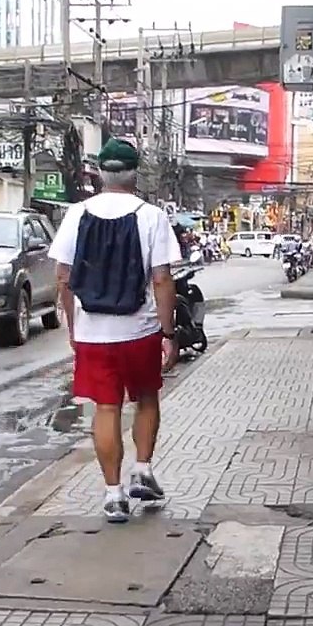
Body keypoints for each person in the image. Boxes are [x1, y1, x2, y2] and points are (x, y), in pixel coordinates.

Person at [52, 139, 182, 523]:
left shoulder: (77, 214)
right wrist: (168, 332)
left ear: (101, 174)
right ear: (134, 173)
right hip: (139, 330)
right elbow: (161, 279)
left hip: (94, 334)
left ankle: (113, 496)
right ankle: (142, 470)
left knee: (105, 408)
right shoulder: (151, 216)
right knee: (146, 399)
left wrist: (76, 329)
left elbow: (63, 277)